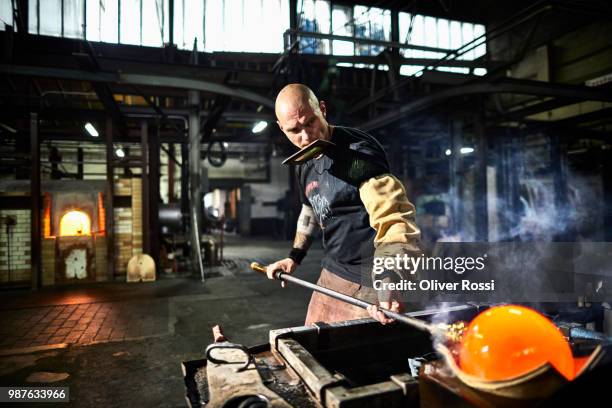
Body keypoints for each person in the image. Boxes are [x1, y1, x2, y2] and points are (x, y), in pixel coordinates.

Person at [267, 83, 421, 325]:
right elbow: (310, 209)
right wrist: (294, 257)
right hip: (331, 272)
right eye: (294, 130)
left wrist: (391, 276)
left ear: (323, 110)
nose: (306, 136)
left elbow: (394, 218)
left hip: (371, 279)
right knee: (311, 349)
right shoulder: (305, 160)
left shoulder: (358, 154)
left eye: (310, 122)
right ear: (282, 129)